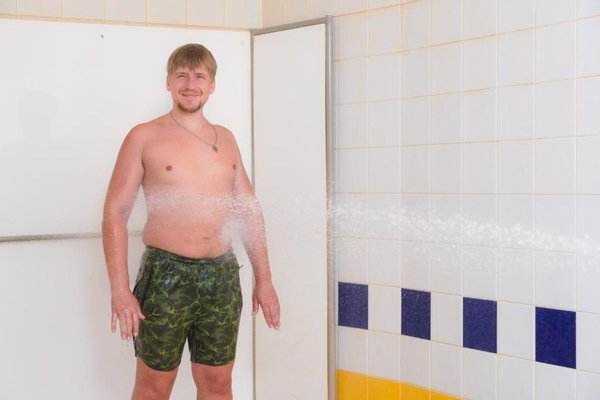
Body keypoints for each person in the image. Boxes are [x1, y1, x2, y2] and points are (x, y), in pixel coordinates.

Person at [102, 43, 280, 400]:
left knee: (218, 384)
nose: (189, 84)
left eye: (199, 76)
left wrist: (264, 279)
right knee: (154, 388)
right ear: (168, 82)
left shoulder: (225, 139)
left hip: (221, 277)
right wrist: (120, 289)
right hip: (166, 277)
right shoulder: (144, 136)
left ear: (212, 85)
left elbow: (248, 211)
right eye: (181, 75)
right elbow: (114, 214)